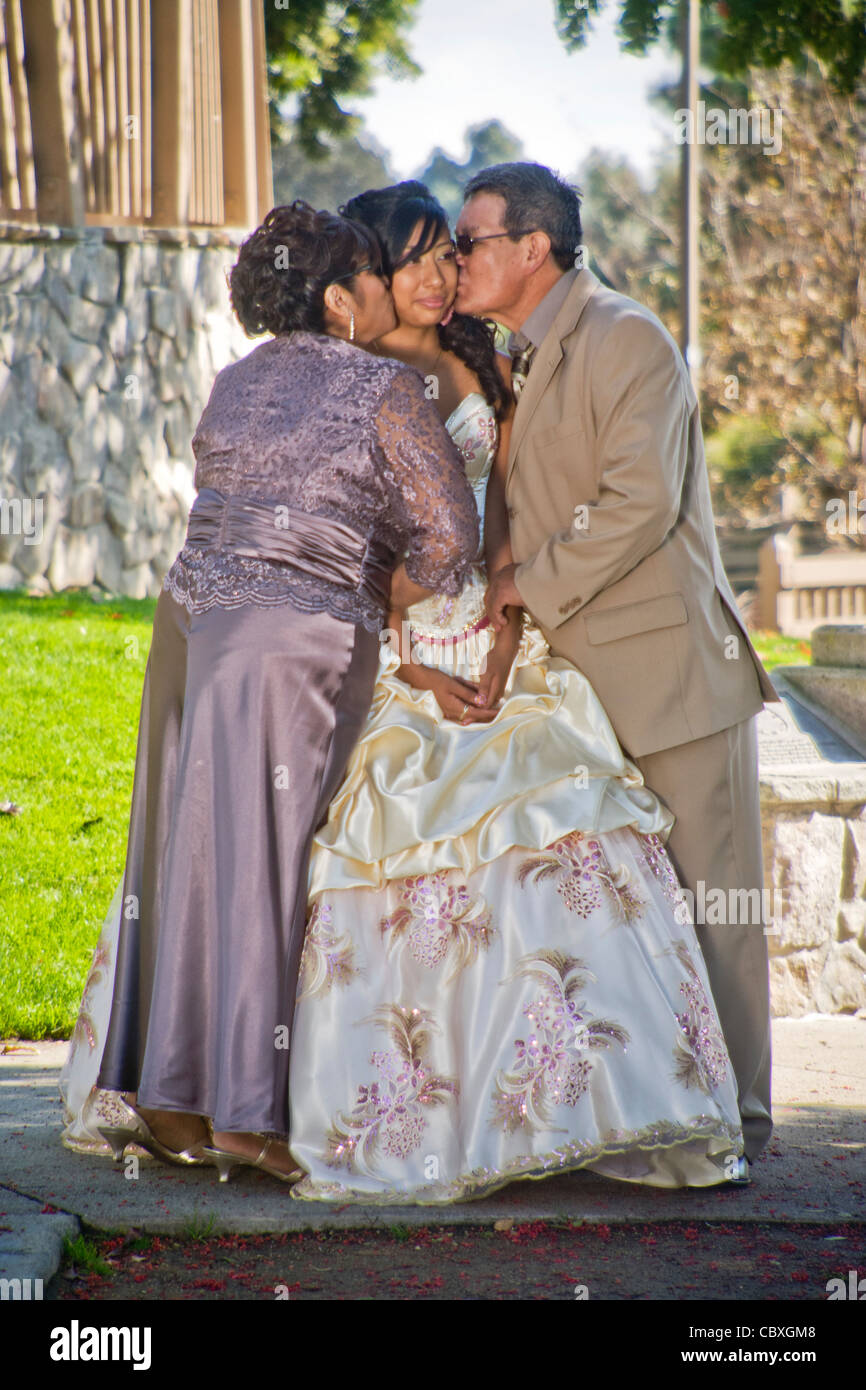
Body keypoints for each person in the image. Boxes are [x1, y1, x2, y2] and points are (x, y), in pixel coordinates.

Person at [284, 182, 745, 1204]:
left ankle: (611, 1105)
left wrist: (504, 618)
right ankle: (432, 1116)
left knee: (574, 844)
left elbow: (517, 510)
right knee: (407, 863)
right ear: (367, 276)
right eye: (413, 259)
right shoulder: (352, 380)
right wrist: (412, 654)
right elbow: (346, 553)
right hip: (415, 654)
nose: (439, 272)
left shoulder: (494, 358)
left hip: (508, 635)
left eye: (452, 249)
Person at [58, 200, 479, 1183]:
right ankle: (245, 1116)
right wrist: (365, 589)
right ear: (339, 300)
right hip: (294, 641)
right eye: (369, 275)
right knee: (265, 865)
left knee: (183, 849)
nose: (381, 288)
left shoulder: (231, 381)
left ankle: (168, 1099)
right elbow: (450, 546)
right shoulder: (387, 388)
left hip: (189, 625)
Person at [456, 162, 780, 1171]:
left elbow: (636, 501)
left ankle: (742, 1121)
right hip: (579, 692)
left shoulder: (627, 337)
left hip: (672, 680)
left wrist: (523, 586)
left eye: (471, 240)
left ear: (531, 248)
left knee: (710, 905)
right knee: (627, 921)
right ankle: (651, 1115)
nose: (458, 257)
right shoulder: (514, 354)